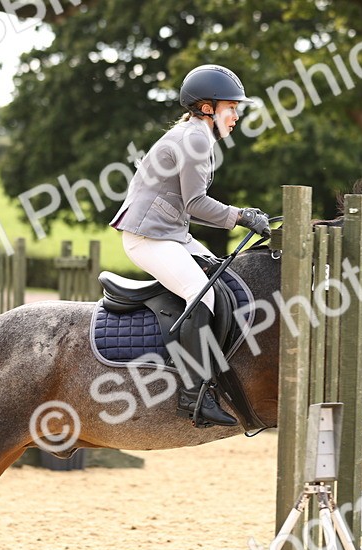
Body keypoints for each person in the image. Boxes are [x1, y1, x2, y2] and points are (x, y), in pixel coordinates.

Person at [110, 64, 271, 428]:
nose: (237, 116)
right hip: (149, 238)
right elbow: (195, 203)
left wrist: (242, 215)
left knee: (225, 284)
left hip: (170, 235)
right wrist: (242, 217)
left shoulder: (196, 134)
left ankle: (218, 377)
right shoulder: (195, 138)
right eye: (232, 108)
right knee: (204, 295)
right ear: (208, 108)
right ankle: (193, 394)